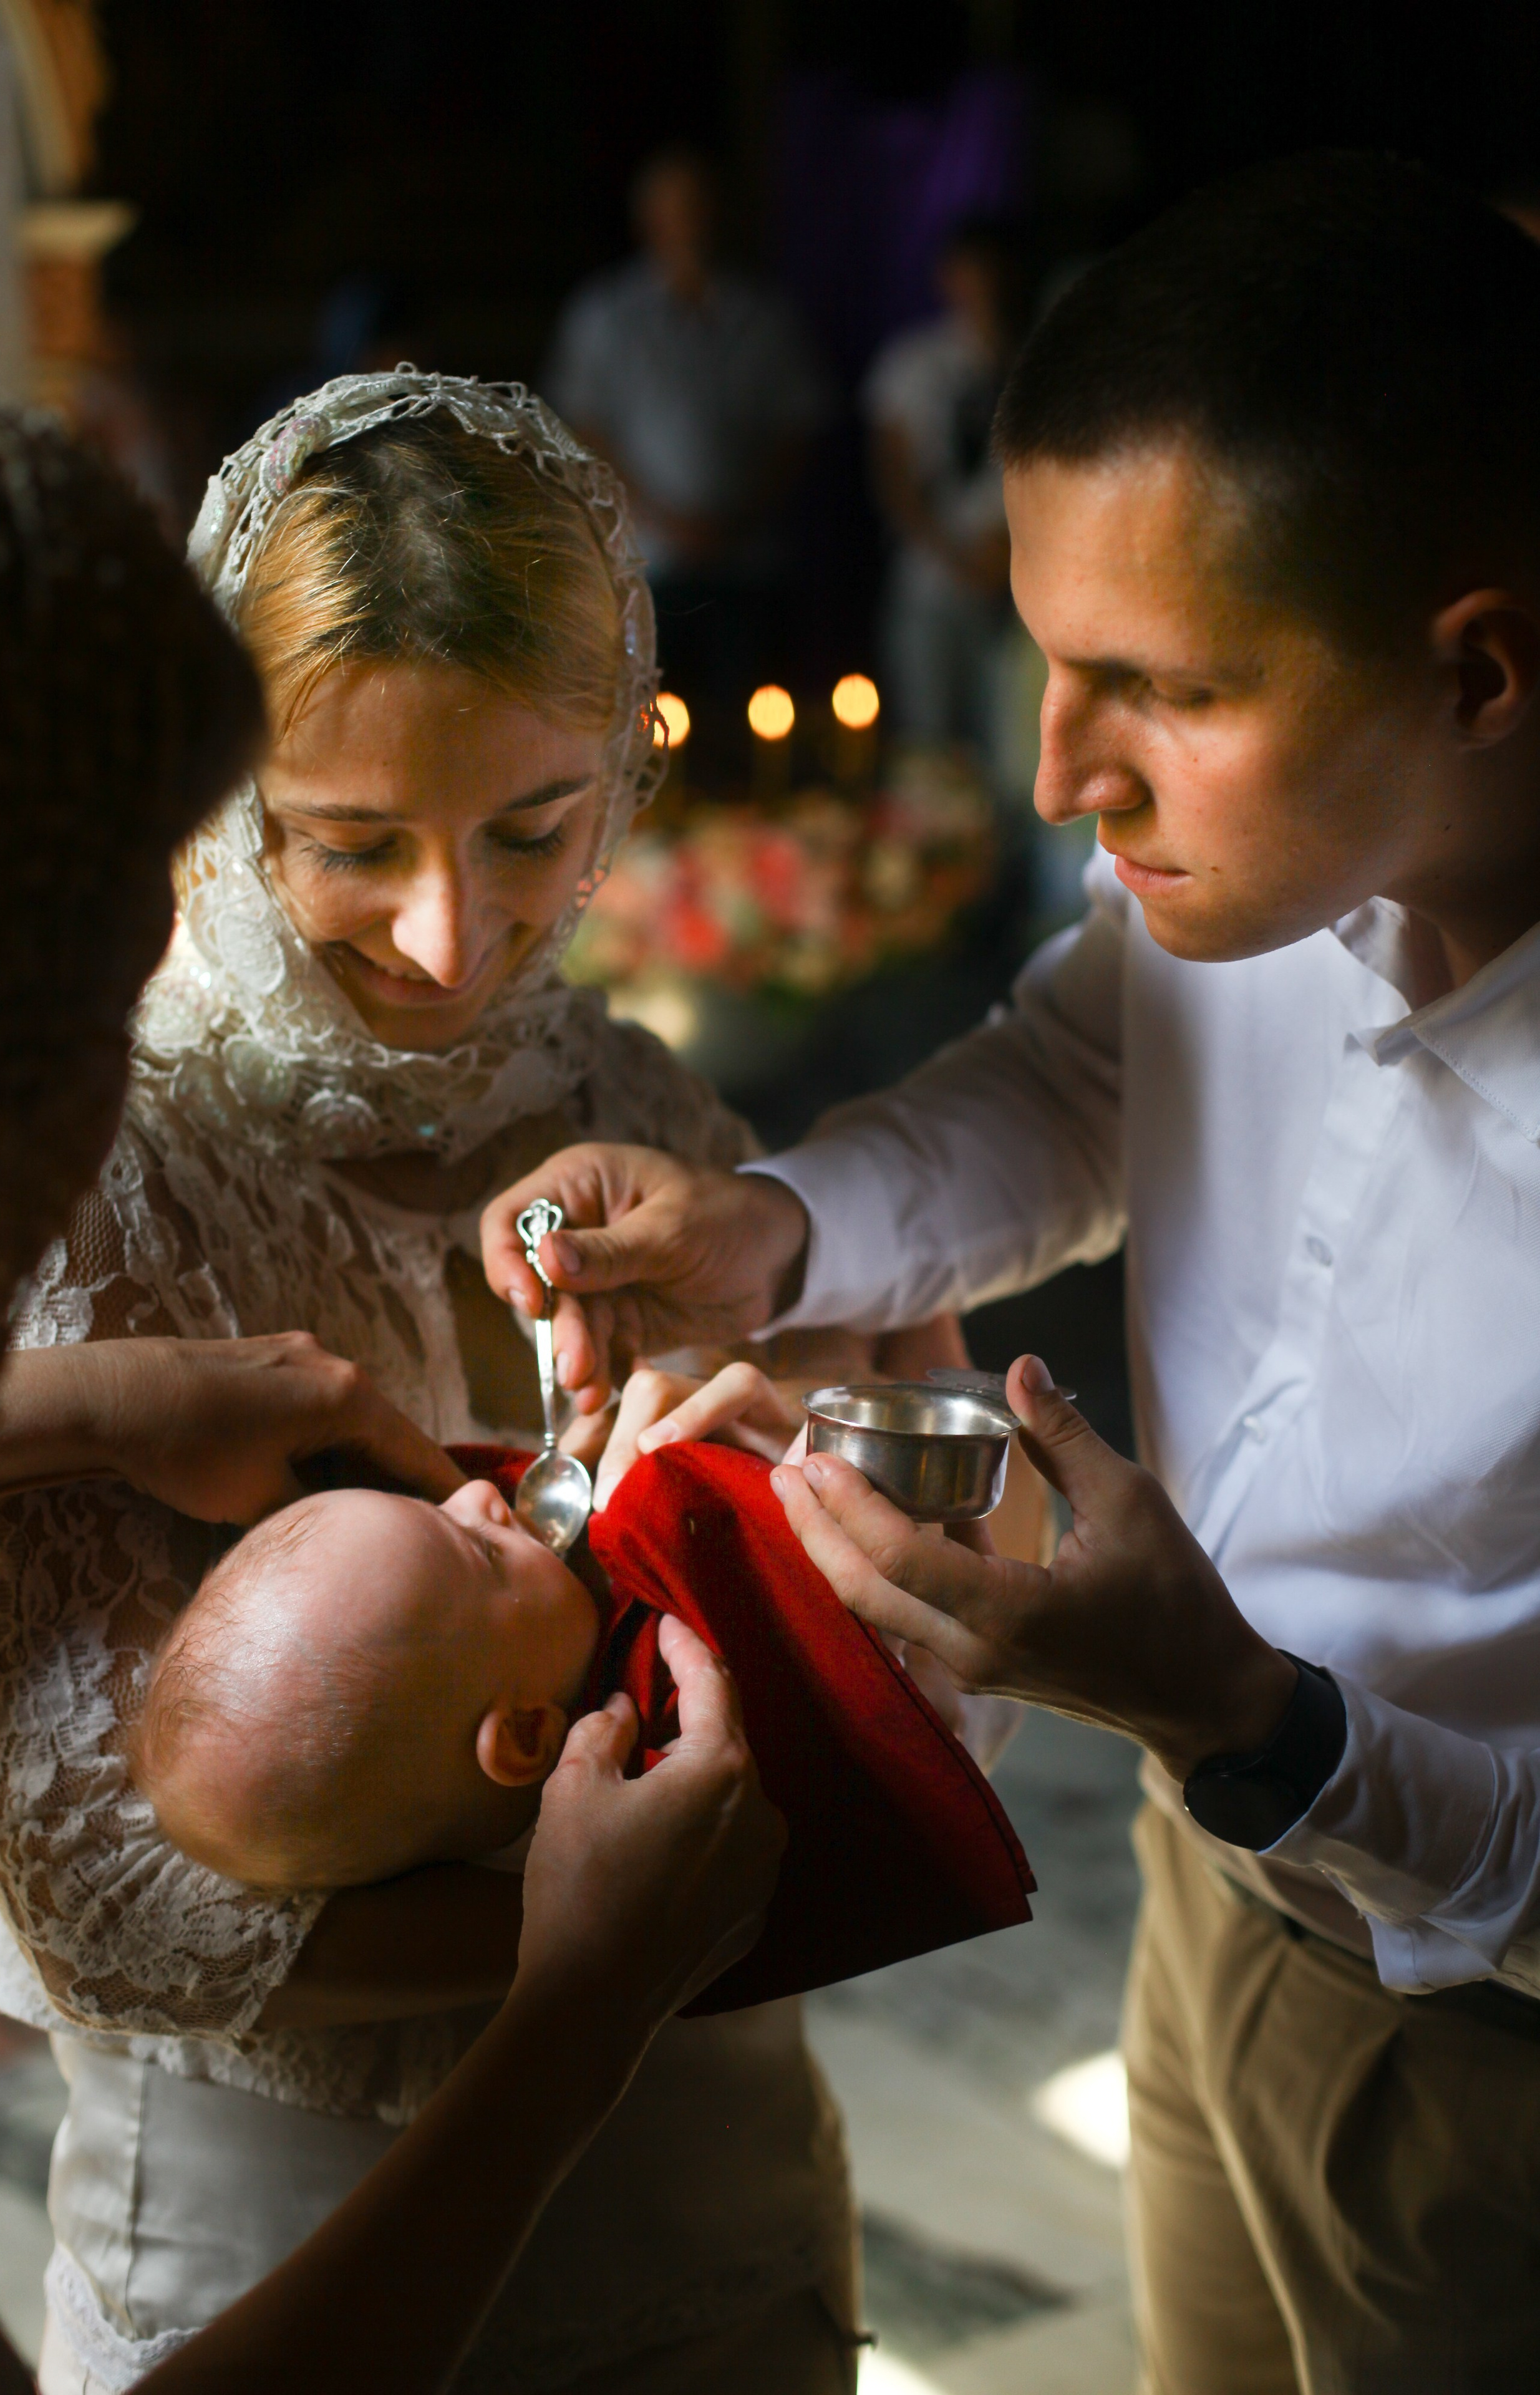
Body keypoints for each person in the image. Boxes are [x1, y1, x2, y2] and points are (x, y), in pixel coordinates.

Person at [482, 155, 1540, 2392]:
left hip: (1486, 2068)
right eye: (1052, 664)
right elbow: (1077, 1076)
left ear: (1474, 672)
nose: (1060, 772)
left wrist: (1258, 1727)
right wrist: (774, 1229)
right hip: (1204, 1902)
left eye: (1151, 689)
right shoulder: (1244, 887)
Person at [0, 370, 860, 2395]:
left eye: (532, 829)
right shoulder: (85, 1138)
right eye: (350, 843)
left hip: (715, 2203)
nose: (454, 937)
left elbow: (874, 1617)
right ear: (217, 817)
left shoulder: (641, 1111)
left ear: (621, 763)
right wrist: (683, 1913)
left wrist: (823, 1490)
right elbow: (108, 1895)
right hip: (272, 2225)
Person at [127, 1443, 1034, 1998]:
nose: (479, 1495)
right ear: (525, 1737)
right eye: (480, 1552)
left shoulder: (454, 1749)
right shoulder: (667, 1756)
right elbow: (873, 1705)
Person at [545, 148, 828, 771]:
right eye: (675, 210)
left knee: (750, 722)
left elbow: (798, 427)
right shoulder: (606, 315)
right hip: (649, 562)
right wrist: (669, 518)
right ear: (648, 220)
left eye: (699, 208)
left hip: (748, 559)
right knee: (650, 722)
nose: (689, 223)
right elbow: (584, 429)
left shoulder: (762, 316)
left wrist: (738, 517)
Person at [864, 217, 1019, 763]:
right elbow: (894, 475)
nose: (982, 286)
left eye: (993, 272)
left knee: (1008, 743)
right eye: (969, 273)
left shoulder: (1035, 359)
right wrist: (954, 556)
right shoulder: (914, 363)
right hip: (929, 582)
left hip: (1017, 590)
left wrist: (1010, 556)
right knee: (928, 739)